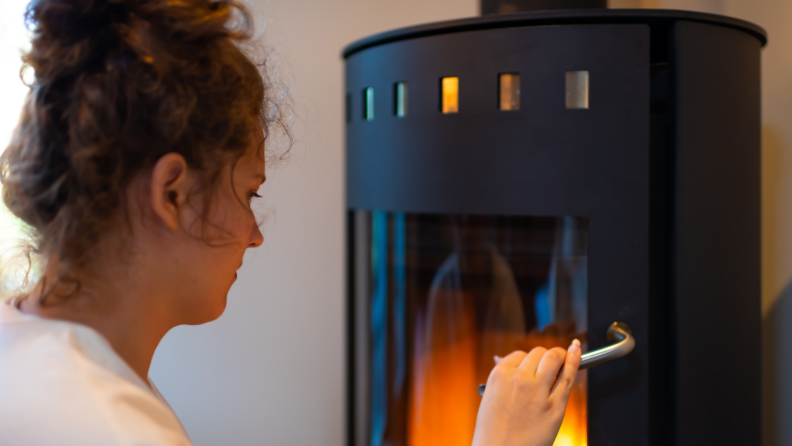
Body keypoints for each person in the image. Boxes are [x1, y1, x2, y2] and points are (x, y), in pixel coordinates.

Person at [0, 0, 581, 445]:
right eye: (249, 192)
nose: (255, 234)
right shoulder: (107, 429)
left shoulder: (28, 343)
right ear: (171, 193)